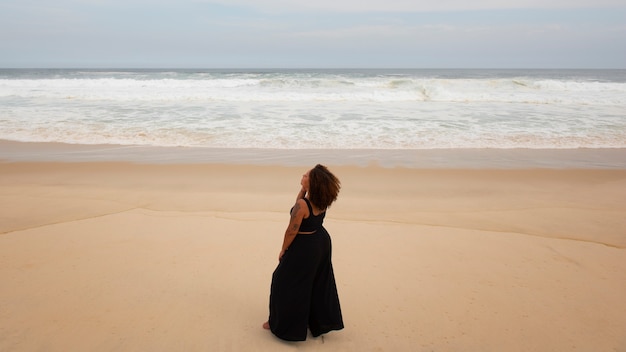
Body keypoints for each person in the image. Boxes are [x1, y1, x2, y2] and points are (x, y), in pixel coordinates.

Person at [263, 164, 344, 341]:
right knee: (312, 282)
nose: (303, 175)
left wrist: (284, 249)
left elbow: (292, 230)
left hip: (305, 246)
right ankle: (311, 320)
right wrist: (303, 189)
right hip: (320, 242)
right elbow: (298, 205)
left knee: (281, 281)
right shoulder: (321, 198)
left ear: (313, 182)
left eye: (306, 176)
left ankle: (279, 323)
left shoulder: (303, 205)